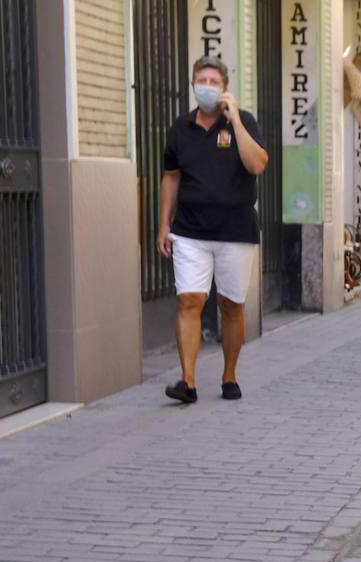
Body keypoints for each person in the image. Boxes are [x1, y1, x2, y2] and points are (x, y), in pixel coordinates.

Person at [157, 57, 268, 404]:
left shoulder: (243, 122)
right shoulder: (180, 128)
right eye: (201, 79)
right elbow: (171, 176)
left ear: (224, 88)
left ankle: (229, 375)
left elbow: (257, 164)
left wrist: (234, 120)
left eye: (213, 80)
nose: (206, 85)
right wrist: (163, 224)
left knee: (230, 305)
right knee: (190, 300)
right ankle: (188, 382)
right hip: (190, 230)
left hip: (235, 231)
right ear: (193, 85)